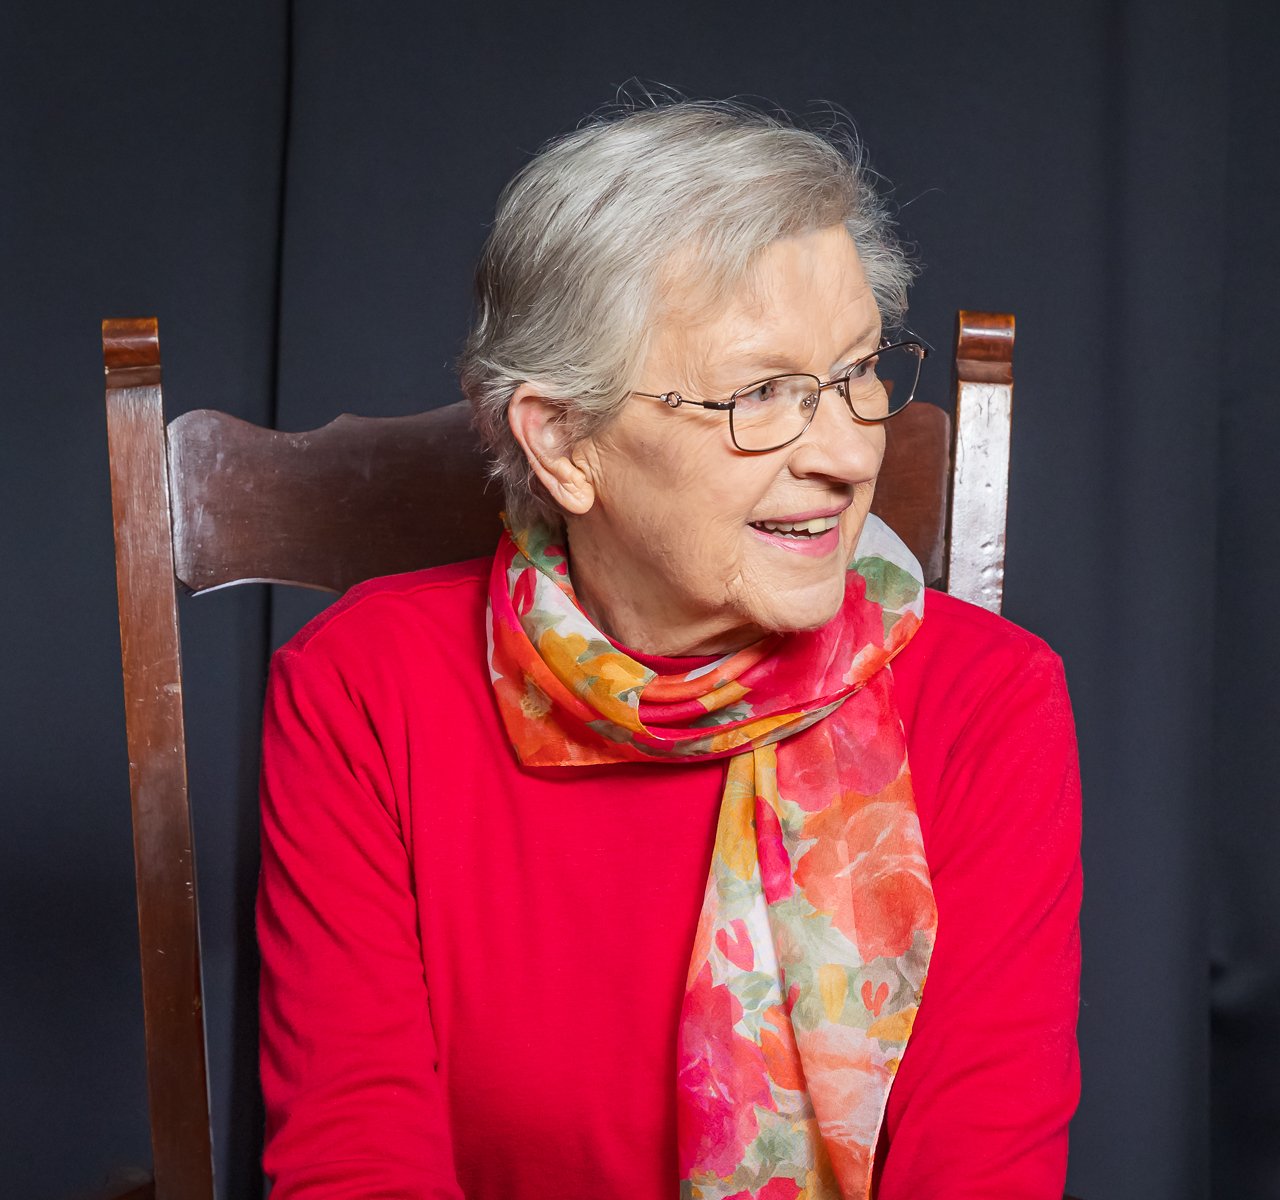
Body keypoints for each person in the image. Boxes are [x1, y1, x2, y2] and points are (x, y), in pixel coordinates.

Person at [257, 98, 1081, 1200]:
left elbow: (979, 1172)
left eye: (857, 374)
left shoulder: (989, 698)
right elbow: (356, 1163)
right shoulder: (364, 689)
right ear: (565, 442)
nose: (847, 456)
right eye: (761, 395)